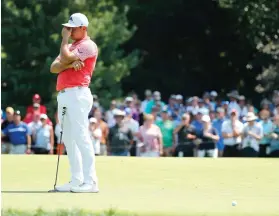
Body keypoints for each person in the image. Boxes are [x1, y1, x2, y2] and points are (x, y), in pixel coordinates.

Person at [50, 13, 99, 193]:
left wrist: (63, 41)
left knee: (81, 136)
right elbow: (54, 67)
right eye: (67, 28)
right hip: (64, 94)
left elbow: (62, 58)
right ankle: (76, 180)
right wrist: (69, 64)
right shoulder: (70, 46)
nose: (68, 31)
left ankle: (91, 181)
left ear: (83, 28)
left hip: (78, 93)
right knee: (69, 139)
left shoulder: (88, 45)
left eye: (72, 28)